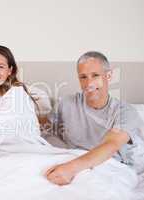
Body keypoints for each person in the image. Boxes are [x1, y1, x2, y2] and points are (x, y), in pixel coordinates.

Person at [45, 51, 144, 185]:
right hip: (73, 161)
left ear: (108, 76)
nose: (88, 83)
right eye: (83, 77)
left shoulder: (125, 112)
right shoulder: (67, 103)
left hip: (112, 166)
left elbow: (111, 144)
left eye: (95, 75)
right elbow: (45, 126)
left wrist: (71, 169)